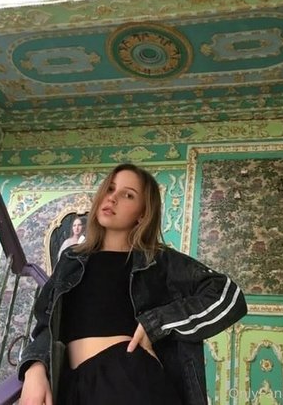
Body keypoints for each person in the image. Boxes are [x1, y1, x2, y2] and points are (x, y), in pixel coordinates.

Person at [18, 163, 247, 405]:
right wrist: (35, 368)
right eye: (110, 189)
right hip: (72, 389)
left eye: (128, 195)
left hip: (129, 378)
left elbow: (228, 296)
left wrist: (156, 324)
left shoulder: (156, 260)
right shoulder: (70, 260)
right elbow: (45, 323)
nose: (112, 198)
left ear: (142, 214)